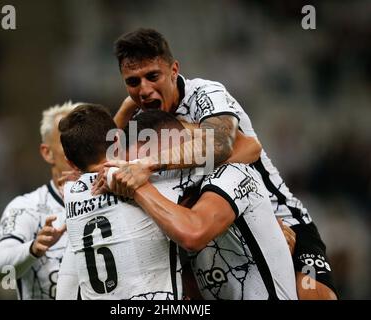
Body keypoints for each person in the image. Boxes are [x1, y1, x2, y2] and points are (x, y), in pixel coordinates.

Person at [108, 28, 338, 299]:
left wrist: (149, 163)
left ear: (173, 70)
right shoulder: (138, 116)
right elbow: (103, 160)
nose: (144, 90)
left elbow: (231, 145)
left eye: (152, 76)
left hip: (280, 216)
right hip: (210, 227)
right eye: (133, 82)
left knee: (314, 296)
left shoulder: (206, 93)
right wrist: (123, 113)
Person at [107, 110, 297, 300]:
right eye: (132, 167)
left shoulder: (232, 175)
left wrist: (139, 188)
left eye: (147, 169)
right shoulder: (167, 213)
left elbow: (194, 233)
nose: (138, 175)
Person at [57, 104, 202, 300]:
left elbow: (66, 287)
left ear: (70, 163)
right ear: (118, 140)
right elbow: (220, 147)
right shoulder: (149, 178)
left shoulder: (70, 195)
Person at [0, 101, 79, 299]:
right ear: (47, 153)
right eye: (69, 143)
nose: (79, 151)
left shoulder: (110, 200)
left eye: (84, 142)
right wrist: (33, 248)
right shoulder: (26, 208)